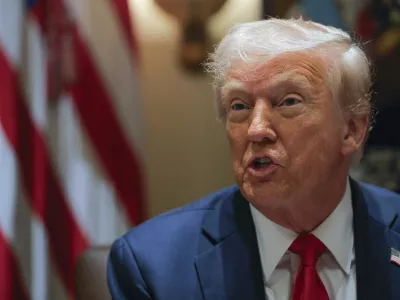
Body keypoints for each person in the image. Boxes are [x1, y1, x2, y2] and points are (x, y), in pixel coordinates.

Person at [107, 17, 400, 300]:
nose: (256, 129)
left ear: (352, 130)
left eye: (288, 102)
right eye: (239, 106)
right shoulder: (152, 265)